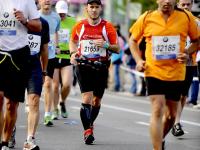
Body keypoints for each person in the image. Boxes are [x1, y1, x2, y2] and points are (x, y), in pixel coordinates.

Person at [128, 0, 199, 149]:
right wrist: (139, 60)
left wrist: (187, 53)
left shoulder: (186, 17)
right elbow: (133, 40)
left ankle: (159, 139)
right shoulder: (147, 17)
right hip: (153, 70)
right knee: (157, 108)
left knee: (171, 116)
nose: (167, 1)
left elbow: (196, 40)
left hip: (176, 72)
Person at [69, 0, 119, 144]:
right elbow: (73, 41)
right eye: (92, 7)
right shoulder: (80, 25)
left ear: (100, 9)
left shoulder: (107, 27)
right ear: (87, 9)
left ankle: (89, 123)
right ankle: (87, 131)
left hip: (101, 66)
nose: (94, 10)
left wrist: (106, 45)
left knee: (96, 101)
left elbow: (117, 48)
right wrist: (73, 53)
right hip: (83, 65)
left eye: (97, 7)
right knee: (86, 98)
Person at [7, 0, 49, 149]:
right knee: (11, 104)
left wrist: (44, 71)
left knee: (34, 101)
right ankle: (10, 131)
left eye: (36, 4)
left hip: (34, 67)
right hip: (16, 64)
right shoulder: (12, 17)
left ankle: (30, 139)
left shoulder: (42, 23)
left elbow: (44, 50)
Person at [0, 0, 41, 149]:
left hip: (18, 55)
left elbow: (38, 26)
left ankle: (5, 141)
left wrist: (25, 20)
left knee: (11, 104)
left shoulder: (27, 1)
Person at [171, 0, 200, 137]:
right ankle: (170, 119)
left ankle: (176, 122)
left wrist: (187, 52)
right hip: (170, 64)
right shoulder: (171, 19)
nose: (186, 7)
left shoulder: (196, 22)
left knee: (183, 95)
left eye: (188, 4)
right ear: (178, 4)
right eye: (183, 5)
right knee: (171, 94)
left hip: (189, 63)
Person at [52, 0, 76, 119]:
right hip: (54, 56)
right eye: (59, 13)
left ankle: (62, 102)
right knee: (55, 86)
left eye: (63, 13)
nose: (61, 16)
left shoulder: (73, 21)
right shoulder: (51, 20)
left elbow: (78, 38)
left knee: (67, 84)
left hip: (67, 56)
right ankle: (55, 108)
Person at [39, 0, 61, 126]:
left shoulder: (56, 17)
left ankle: (47, 114)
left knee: (48, 84)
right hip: (36, 55)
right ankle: (29, 100)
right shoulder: (34, 15)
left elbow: (55, 32)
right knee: (36, 83)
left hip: (50, 55)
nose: (47, 1)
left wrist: (57, 45)